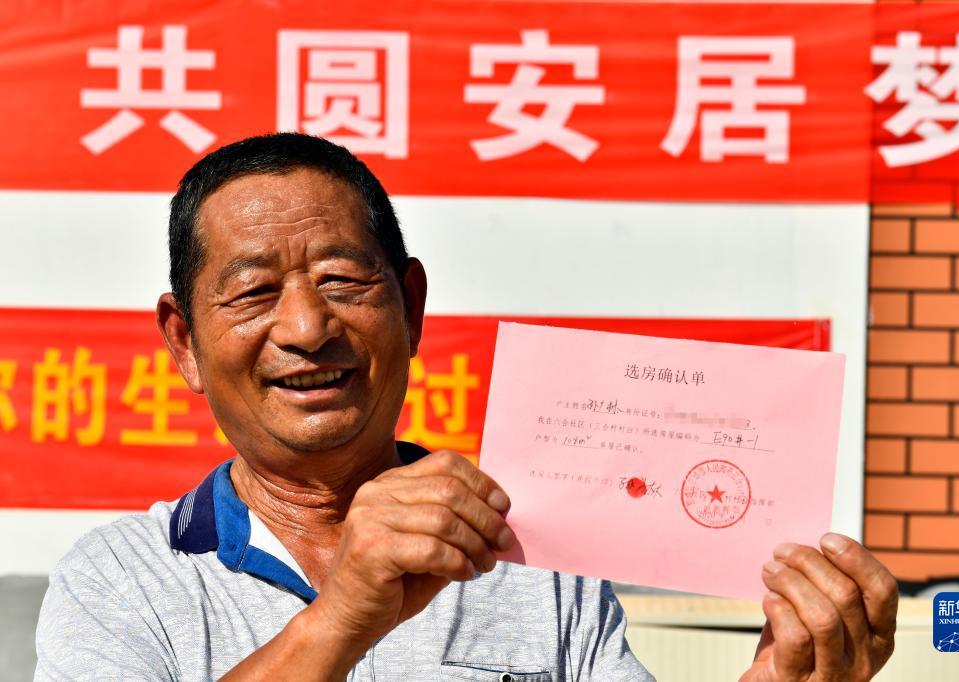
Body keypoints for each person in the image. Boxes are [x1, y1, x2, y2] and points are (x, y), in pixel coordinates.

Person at [35, 133, 897, 681]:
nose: (305, 328)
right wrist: (343, 616)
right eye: (254, 291)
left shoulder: (533, 552)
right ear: (184, 341)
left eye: (342, 279)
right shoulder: (119, 579)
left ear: (410, 306)